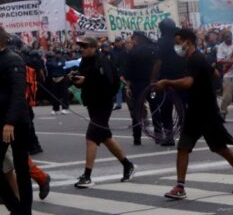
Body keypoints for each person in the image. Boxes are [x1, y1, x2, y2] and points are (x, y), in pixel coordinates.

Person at [157, 28, 233, 199]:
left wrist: (167, 82)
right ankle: (180, 187)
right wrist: (206, 85)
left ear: (188, 42)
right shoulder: (196, 58)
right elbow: (214, 73)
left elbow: (188, 82)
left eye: (178, 42)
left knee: (219, 147)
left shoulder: (195, 59)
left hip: (206, 112)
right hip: (195, 111)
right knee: (183, 147)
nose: (176, 46)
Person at [71, 37, 134, 188]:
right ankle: (127, 165)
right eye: (81, 46)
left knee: (91, 136)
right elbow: (84, 80)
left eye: (85, 46)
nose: (82, 49)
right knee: (105, 137)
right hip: (92, 103)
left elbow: (108, 82)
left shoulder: (103, 61)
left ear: (93, 47)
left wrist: (86, 81)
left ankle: (87, 176)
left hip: (104, 103)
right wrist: (75, 78)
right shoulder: (85, 61)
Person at [0, 27, 32, 215]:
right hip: (4, 120)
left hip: (15, 123)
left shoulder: (13, 60)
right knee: (20, 167)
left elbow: (18, 93)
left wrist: (10, 122)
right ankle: (17, 208)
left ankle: (23, 210)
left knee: (22, 168)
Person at [123, 31, 159, 146]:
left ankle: (137, 138)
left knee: (137, 111)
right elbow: (157, 65)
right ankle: (158, 134)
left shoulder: (133, 52)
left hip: (137, 85)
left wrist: (128, 85)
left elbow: (128, 72)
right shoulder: (152, 50)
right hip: (151, 84)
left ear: (137, 39)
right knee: (155, 108)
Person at [155, 19, 185, 146]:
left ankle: (169, 136)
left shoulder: (161, 43)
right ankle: (185, 134)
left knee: (166, 109)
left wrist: (153, 80)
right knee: (182, 108)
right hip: (181, 80)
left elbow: (158, 63)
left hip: (165, 81)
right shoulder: (180, 40)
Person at [216, 30, 233, 120]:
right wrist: (228, 61)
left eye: (230, 36)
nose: (229, 39)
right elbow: (219, 60)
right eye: (226, 37)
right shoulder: (221, 47)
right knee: (227, 97)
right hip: (228, 74)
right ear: (223, 38)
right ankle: (223, 112)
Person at [46, 50, 69, 115]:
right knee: (54, 95)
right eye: (56, 53)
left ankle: (65, 108)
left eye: (59, 54)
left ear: (61, 54)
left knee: (64, 94)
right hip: (54, 79)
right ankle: (55, 109)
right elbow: (49, 69)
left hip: (62, 78)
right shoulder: (52, 61)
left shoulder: (64, 60)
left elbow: (67, 69)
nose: (57, 55)